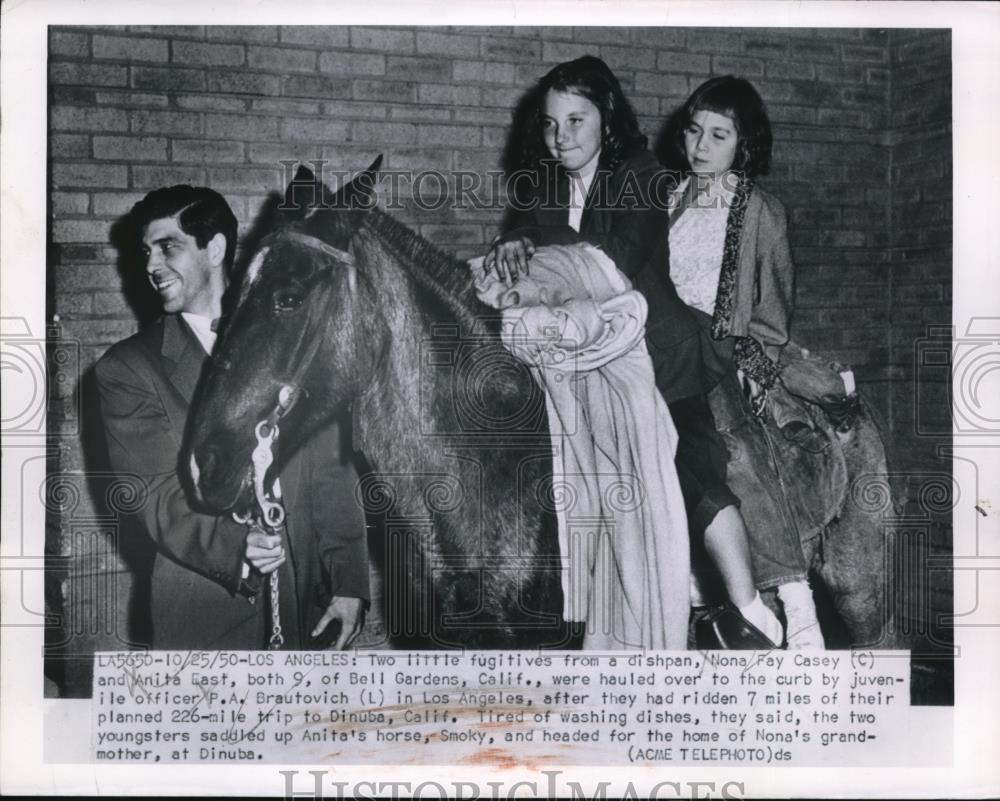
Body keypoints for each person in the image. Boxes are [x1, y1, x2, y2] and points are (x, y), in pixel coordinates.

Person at [485, 55, 784, 649]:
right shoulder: (543, 181)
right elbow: (524, 239)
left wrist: (533, 243)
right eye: (549, 124)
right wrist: (513, 239)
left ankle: (752, 611)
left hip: (661, 353)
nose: (561, 137)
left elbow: (614, 260)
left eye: (576, 121)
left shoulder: (642, 173)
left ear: (606, 120)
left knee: (691, 471)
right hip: (582, 358)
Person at [96, 185, 368, 650]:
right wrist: (236, 546)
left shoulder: (292, 339)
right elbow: (156, 498)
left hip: (307, 609)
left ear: (215, 248)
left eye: (169, 247)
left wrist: (347, 581)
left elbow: (331, 468)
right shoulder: (126, 369)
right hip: (206, 617)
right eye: (146, 251)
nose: (150, 265)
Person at [666, 75, 825, 648]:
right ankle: (686, 586)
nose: (700, 145)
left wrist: (747, 362)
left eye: (718, 134)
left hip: (724, 352)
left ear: (743, 143)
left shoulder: (760, 209)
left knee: (733, 448)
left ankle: (796, 599)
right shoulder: (668, 199)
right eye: (693, 130)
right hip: (665, 351)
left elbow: (774, 307)